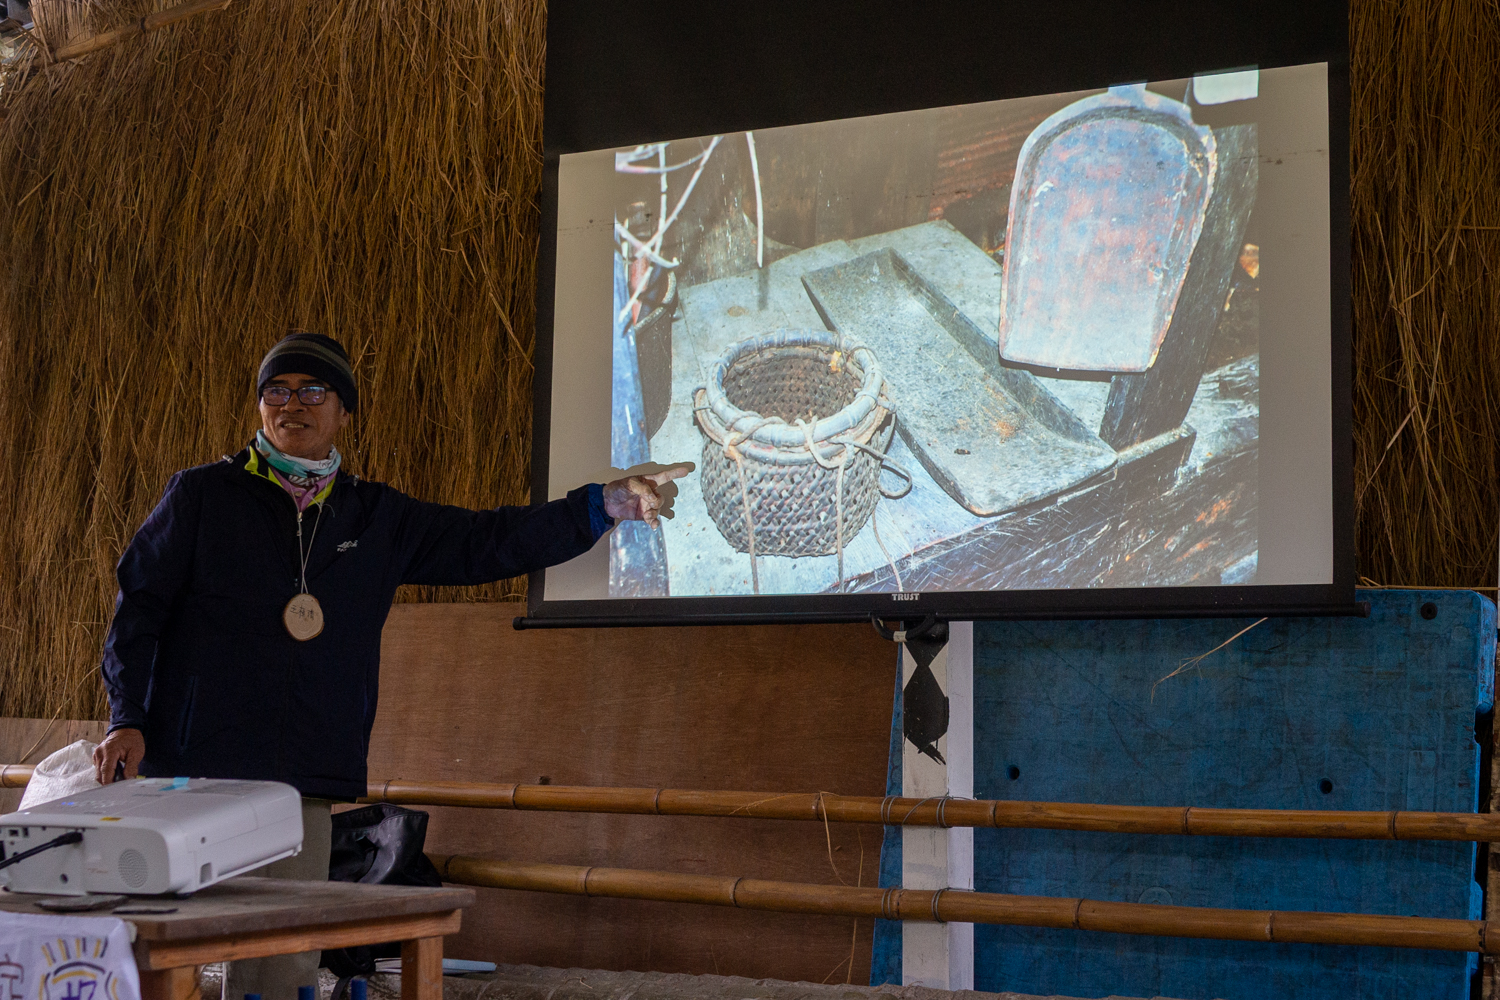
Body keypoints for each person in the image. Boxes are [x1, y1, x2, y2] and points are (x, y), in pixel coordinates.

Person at [90, 332, 682, 1000]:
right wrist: (127, 717)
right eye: (276, 390)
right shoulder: (201, 495)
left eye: (312, 391)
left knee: (278, 970)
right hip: (194, 772)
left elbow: (487, 541)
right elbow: (137, 608)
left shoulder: (376, 516)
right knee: (165, 960)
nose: (291, 404)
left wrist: (599, 505)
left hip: (301, 780)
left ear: (343, 411)